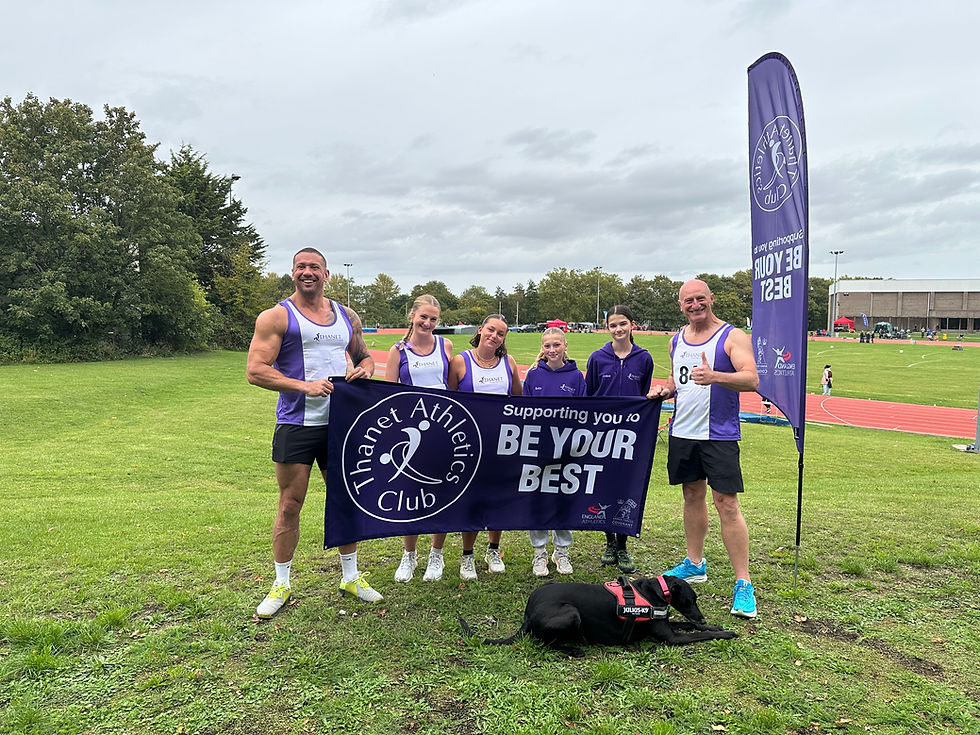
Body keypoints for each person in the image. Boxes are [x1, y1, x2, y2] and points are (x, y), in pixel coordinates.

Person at [246, 247, 381, 619]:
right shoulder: (276, 316)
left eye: (315, 267)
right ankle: (281, 584)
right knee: (291, 503)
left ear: (327, 274)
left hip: (341, 423)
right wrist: (303, 386)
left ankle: (351, 577)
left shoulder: (345, 315)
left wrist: (365, 370)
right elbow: (256, 370)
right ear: (292, 273)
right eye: (301, 267)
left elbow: (364, 357)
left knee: (344, 498)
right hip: (296, 423)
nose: (308, 272)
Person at [647, 279, 760, 618]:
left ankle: (743, 583)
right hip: (683, 432)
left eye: (700, 299)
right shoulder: (675, 340)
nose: (695, 305)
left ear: (711, 299)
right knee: (691, 496)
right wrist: (663, 392)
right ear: (680, 305)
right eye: (688, 301)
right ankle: (695, 562)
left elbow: (752, 379)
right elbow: (676, 381)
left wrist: (717, 377)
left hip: (719, 435)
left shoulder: (732, 336)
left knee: (726, 503)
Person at [448, 314, 523, 579]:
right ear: (480, 330)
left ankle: (493, 549)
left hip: (502, 442)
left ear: (504, 339)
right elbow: (450, 402)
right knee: (472, 499)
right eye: (491, 330)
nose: (494, 336)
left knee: (497, 497)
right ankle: (467, 555)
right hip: (470, 443)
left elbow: (519, 399)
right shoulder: (460, 361)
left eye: (501, 333)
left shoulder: (508, 362)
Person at [385, 295, 453, 583]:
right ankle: (409, 555)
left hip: (443, 431)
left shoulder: (445, 345)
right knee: (410, 495)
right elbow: (387, 394)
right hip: (412, 433)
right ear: (411, 316)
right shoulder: (397, 351)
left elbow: (453, 386)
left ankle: (436, 555)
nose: (427, 323)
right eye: (423, 317)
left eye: (433, 319)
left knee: (442, 493)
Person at [585, 305, 653, 574]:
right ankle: (609, 542)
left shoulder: (643, 358)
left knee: (626, 489)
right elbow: (589, 395)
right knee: (605, 487)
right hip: (602, 435)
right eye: (613, 325)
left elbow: (645, 396)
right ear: (607, 328)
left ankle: (623, 545)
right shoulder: (597, 358)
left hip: (631, 436)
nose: (618, 329)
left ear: (631, 325)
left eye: (622, 324)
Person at [522, 327, 586, 576]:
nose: (551, 350)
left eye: (556, 345)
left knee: (562, 500)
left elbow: (584, 414)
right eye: (547, 345)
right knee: (538, 500)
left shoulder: (576, 377)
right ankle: (539, 553)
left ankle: (562, 551)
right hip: (538, 448)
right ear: (543, 347)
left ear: (565, 345)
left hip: (567, 449)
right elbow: (524, 412)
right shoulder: (534, 375)